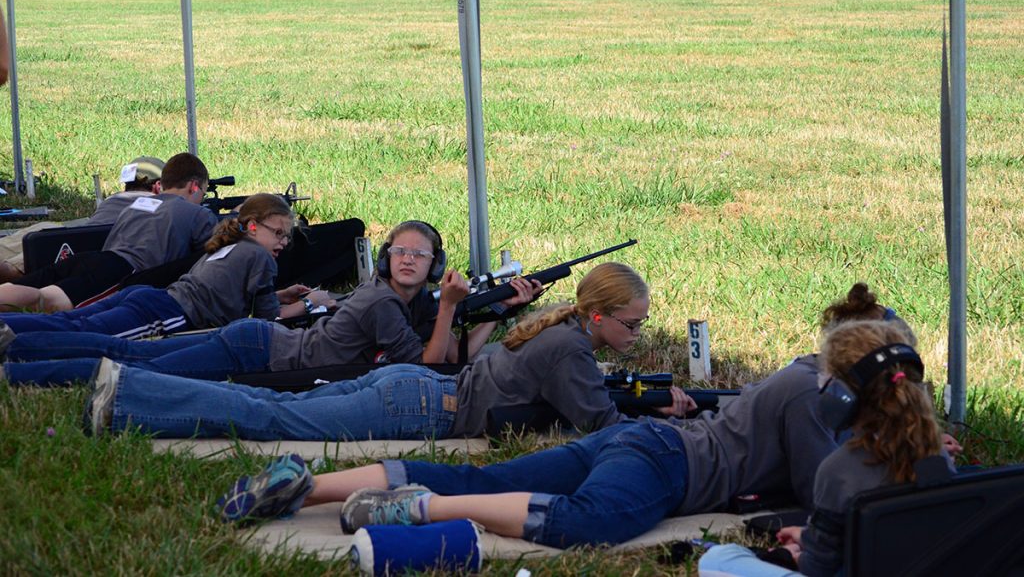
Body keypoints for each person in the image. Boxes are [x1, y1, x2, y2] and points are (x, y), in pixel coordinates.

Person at [205, 283, 924, 548]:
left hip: (645, 442)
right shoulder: (810, 400)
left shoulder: (803, 379)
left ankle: (309, 484)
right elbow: (818, 490)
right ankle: (418, 512)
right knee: (589, 524)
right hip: (665, 464)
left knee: (481, 475)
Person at [80, 262, 693, 441]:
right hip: (423, 409)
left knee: (270, 405)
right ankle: (131, 398)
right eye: (633, 323)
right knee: (274, 418)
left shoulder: (553, 331)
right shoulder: (569, 349)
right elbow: (600, 424)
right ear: (596, 315)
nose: (637, 332)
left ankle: (131, 392)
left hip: (411, 390)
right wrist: (665, 414)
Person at [0, 220, 520, 386]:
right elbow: (426, 369)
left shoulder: (410, 304)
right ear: (385, 259)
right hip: (253, 348)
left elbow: (452, 357)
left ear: (435, 264)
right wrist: (453, 307)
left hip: (259, 345)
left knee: (131, 360)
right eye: (400, 251)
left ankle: (14, 341)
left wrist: (495, 314)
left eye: (420, 254)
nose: (408, 260)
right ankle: (15, 359)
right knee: (130, 362)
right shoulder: (384, 301)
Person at [697, 319, 956, 577]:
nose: (820, 383)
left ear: (844, 395)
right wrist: (810, 538)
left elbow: (817, 567)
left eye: (825, 376)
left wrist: (794, 555)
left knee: (719, 559)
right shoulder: (937, 455)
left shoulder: (839, 469)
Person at [0, 194, 338, 386]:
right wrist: (311, 305)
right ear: (253, 226)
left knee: (73, 324)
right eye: (278, 233)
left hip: (152, 298)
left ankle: (11, 335)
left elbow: (226, 291)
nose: (283, 242)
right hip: (167, 315)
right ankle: (15, 356)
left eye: (287, 236)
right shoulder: (261, 259)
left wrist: (281, 295)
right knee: (95, 343)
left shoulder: (233, 246)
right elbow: (269, 319)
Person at [0, 153, 217, 313]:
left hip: (92, 259)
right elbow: (211, 258)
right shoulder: (197, 213)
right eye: (203, 192)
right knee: (48, 300)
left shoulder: (137, 204)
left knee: (19, 287)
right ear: (193, 186)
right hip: (121, 272)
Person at [0, 157, 165, 284]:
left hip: (60, 232)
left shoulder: (113, 200)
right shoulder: (159, 206)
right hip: (81, 248)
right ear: (158, 186)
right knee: (14, 271)